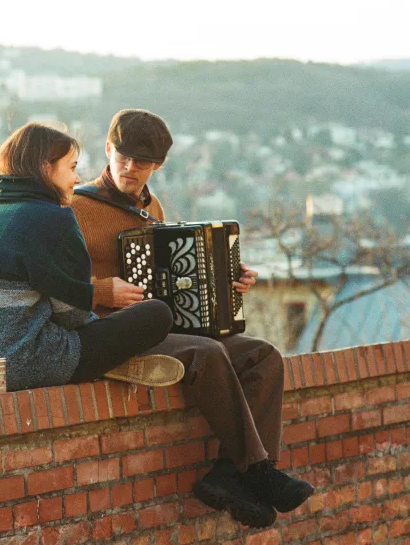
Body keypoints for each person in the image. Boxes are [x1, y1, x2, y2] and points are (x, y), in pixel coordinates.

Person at [69, 109, 314, 529]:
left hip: (162, 327)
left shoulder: (153, 207)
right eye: (123, 157)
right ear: (108, 150)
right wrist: (101, 290)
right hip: (110, 334)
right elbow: (59, 285)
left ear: (158, 165)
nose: (130, 168)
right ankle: (258, 472)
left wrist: (227, 280)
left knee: (264, 356)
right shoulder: (75, 207)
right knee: (207, 353)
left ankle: (226, 475)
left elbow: (174, 278)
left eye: (142, 162)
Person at [0, 122, 186, 399]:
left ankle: (104, 365)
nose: (76, 179)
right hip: (26, 365)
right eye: (72, 167)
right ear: (46, 168)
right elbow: (71, 315)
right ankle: (108, 365)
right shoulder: (52, 216)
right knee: (156, 314)